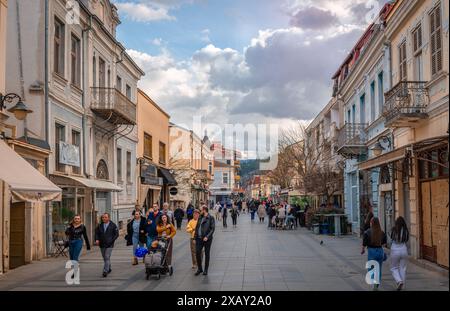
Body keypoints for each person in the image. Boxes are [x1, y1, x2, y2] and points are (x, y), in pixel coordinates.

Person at [361, 217, 387, 290]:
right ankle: (376, 284)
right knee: (379, 269)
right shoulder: (381, 232)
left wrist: (362, 250)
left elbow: (364, 243)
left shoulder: (367, 232)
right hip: (380, 252)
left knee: (371, 269)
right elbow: (384, 244)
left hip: (371, 252)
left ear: (371, 223)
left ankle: (373, 283)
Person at [95, 213, 119, 277]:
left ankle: (105, 271)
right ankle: (109, 267)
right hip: (102, 244)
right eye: (103, 217)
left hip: (109, 244)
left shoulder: (113, 225)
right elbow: (96, 233)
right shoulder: (100, 225)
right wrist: (97, 239)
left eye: (105, 217)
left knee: (107, 257)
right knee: (105, 257)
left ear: (109, 218)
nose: (104, 218)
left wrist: (112, 240)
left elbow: (116, 234)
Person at [194, 205, 215, 276]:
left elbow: (212, 229)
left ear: (204, 210)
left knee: (207, 254)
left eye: (201, 210)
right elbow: (197, 227)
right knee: (197, 252)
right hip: (199, 238)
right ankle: (200, 269)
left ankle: (206, 270)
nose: (200, 211)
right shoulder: (200, 217)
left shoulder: (211, 218)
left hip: (207, 239)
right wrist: (194, 237)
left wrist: (207, 236)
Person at [390, 216, 409, 291]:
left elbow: (391, 237)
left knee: (393, 268)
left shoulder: (394, 229)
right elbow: (406, 239)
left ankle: (399, 281)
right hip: (404, 249)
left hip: (395, 249)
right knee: (403, 268)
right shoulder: (406, 230)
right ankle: (402, 285)